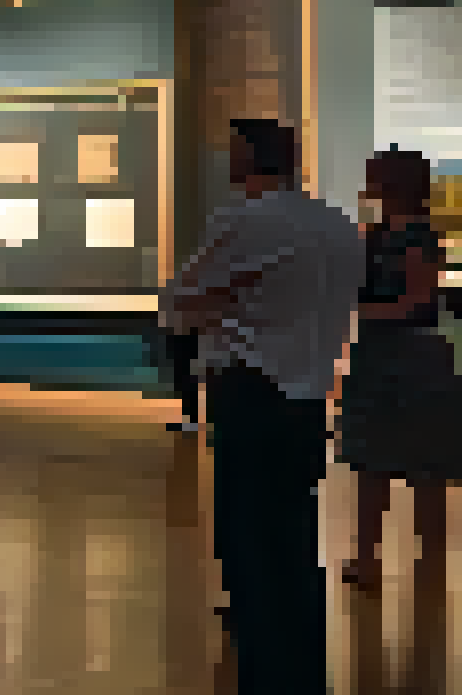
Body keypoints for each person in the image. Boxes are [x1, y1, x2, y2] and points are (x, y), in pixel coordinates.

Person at [167, 119, 362, 695]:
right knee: (296, 544)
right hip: (307, 403)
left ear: (251, 158)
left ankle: (264, 675)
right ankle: (304, 673)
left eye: (234, 151)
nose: (228, 160)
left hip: (251, 393)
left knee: (247, 545)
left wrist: (215, 306)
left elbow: (180, 303)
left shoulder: (248, 218)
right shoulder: (336, 223)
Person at [338, 148, 459, 591]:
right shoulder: (377, 234)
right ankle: (367, 558)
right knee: (372, 462)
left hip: (413, 356)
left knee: (425, 467)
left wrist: (362, 312)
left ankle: (428, 565)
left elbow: (419, 300)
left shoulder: (419, 238)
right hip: (379, 354)